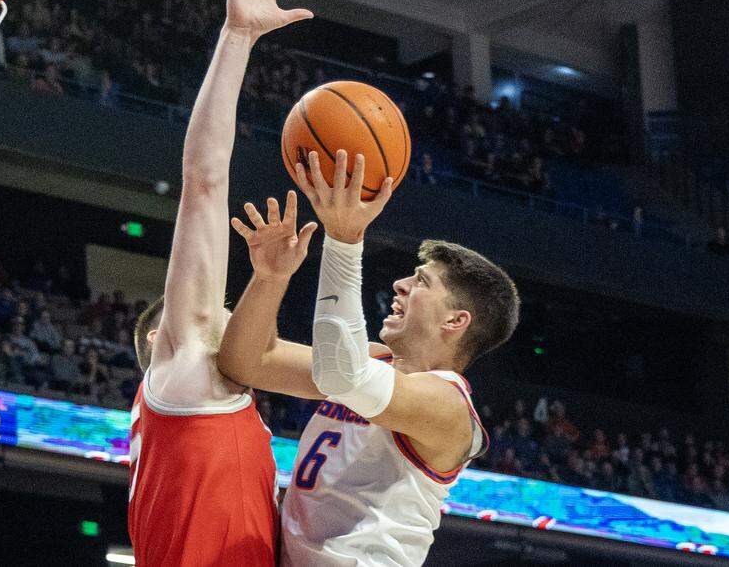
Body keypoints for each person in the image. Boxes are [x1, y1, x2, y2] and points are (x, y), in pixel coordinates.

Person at [219, 148, 518, 566]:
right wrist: (271, 277)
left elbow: (345, 376)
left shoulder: (449, 408)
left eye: (421, 282)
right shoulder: (372, 363)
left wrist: (344, 240)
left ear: (455, 320)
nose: (399, 285)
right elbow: (247, 362)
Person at [128, 0, 311, 566]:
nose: (223, 312)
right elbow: (205, 182)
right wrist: (236, 38)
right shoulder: (186, 365)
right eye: (221, 310)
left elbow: (343, 373)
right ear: (161, 340)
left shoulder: (218, 396)